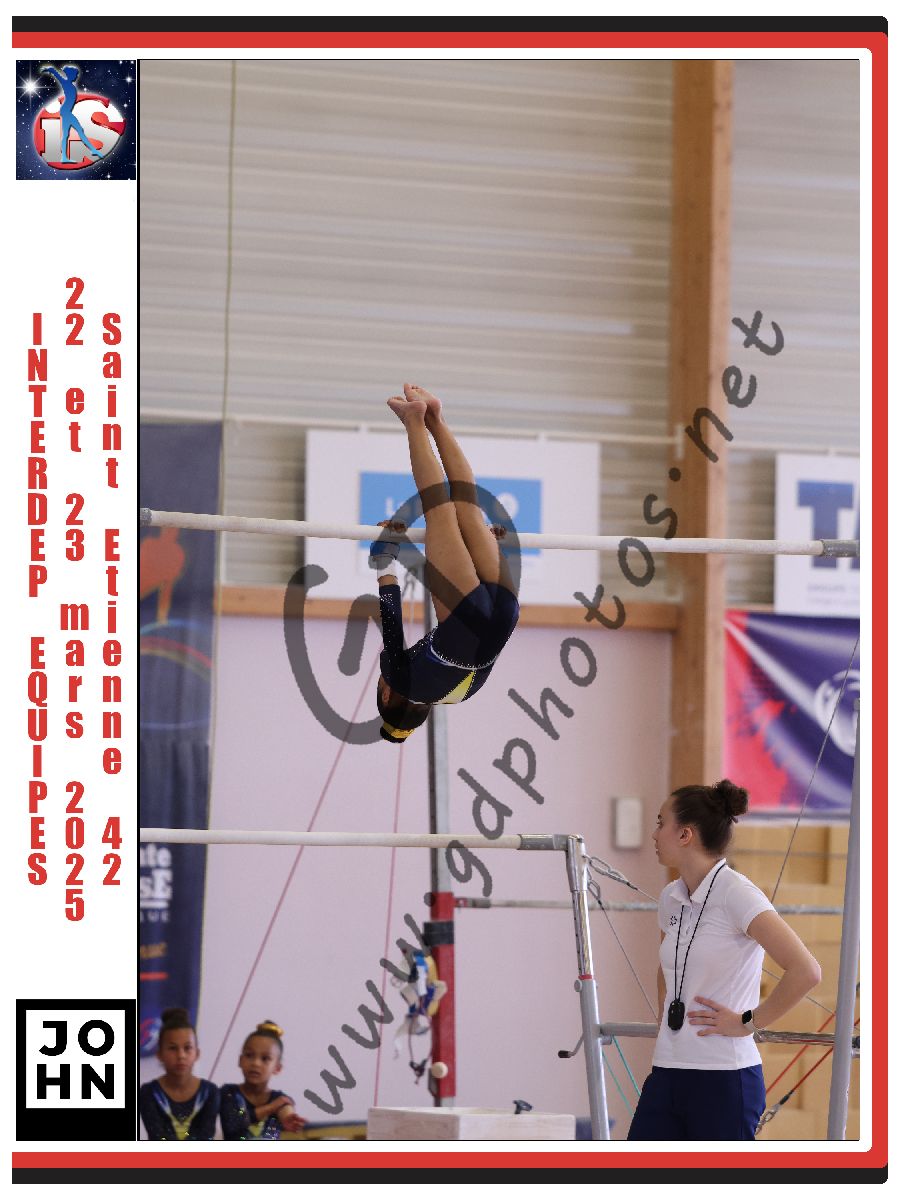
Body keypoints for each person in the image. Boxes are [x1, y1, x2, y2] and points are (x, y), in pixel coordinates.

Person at [627, 779, 822, 1141]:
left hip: (724, 1077)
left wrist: (749, 1022)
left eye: (660, 823)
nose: (654, 834)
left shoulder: (737, 893)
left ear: (685, 834)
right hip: (668, 1069)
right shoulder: (671, 896)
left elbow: (806, 971)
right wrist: (664, 1018)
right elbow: (667, 968)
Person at [370, 383, 520, 744]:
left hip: (505, 615)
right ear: (388, 696)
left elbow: (483, 644)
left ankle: (435, 418)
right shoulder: (401, 679)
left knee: (467, 504)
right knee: (439, 506)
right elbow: (390, 615)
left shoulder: (459, 696)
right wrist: (384, 557)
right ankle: (416, 420)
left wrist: (484, 545)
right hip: (465, 620)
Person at [139, 1007, 219, 1140]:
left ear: (197, 1053)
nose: (181, 1055)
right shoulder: (148, 1093)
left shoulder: (210, 1092)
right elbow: (158, 1136)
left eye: (187, 1048)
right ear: (159, 1054)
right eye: (172, 1048)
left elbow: (205, 1135)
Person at [220, 1020, 305, 1140]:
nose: (256, 1063)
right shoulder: (229, 1093)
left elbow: (286, 1110)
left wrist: (290, 1119)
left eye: (265, 1058)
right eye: (249, 1055)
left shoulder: (279, 1099)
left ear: (277, 1068)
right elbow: (235, 1123)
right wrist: (270, 1108)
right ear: (240, 1060)